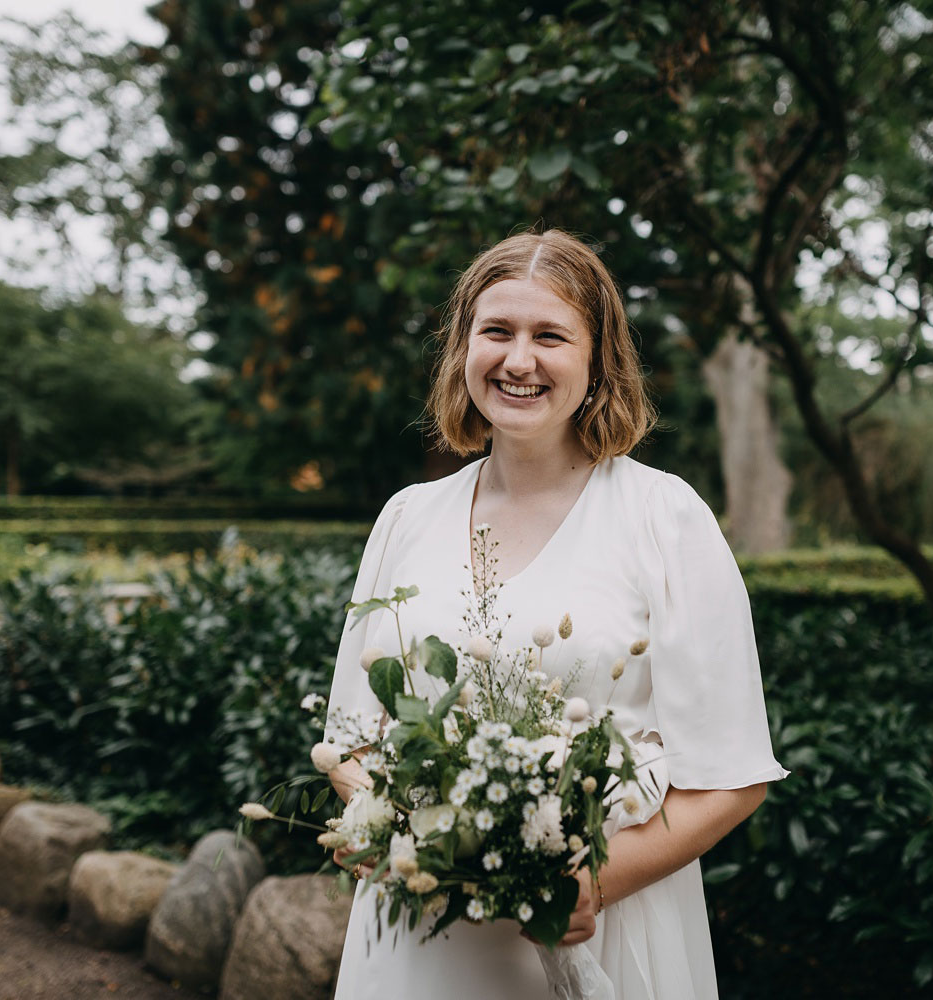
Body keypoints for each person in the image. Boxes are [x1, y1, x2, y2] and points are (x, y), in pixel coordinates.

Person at [322, 228, 789, 999]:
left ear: (598, 360)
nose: (517, 360)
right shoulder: (407, 516)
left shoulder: (663, 517)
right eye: (496, 331)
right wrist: (408, 842)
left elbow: (731, 779)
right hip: (422, 933)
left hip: (603, 924)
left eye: (550, 336)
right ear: (462, 348)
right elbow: (348, 741)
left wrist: (591, 885)